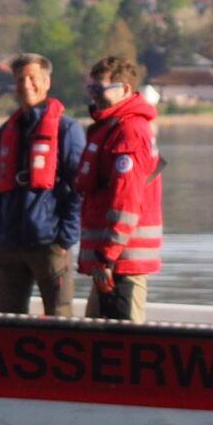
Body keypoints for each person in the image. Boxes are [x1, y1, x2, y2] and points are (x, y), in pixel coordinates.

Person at [0, 51, 85, 316]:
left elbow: (79, 187)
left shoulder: (67, 130)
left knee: (59, 317)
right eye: (20, 79)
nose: (26, 85)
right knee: (7, 320)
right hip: (6, 244)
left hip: (49, 244)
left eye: (32, 78)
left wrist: (65, 238)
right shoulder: (5, 132)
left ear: (46, 82)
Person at [74, 54, 162, 322]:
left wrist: (107, 255)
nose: (95, 96)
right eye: (91, 89)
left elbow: (126, 199)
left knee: (126, 341)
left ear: (124, 89)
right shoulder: (110, 128)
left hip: (120, 261)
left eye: (100, 89)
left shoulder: (129, 132)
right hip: (111, 261)